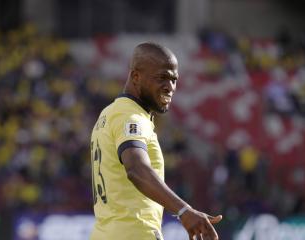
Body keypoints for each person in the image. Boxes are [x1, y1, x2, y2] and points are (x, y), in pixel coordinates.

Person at [90, 42, 222, 240]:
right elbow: (136, 168)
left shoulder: (109, 114)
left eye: (174, 80)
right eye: (162, 77)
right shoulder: (130, 116)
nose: (170, 87)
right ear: (136, 76)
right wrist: (184, 211)